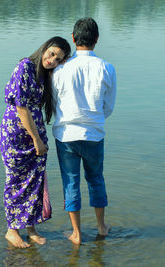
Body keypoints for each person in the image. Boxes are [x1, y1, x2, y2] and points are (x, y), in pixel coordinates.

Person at [0, 36, 71, 248]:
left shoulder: (44, 73)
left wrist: (66, 62)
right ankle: (12, 230)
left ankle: (31, 227)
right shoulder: (25, 67)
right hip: (17, 135)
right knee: (15, 180)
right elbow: (21, 108)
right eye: (51, 54)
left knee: (35, 180)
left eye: (58, 59)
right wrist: (37, 140)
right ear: (44, 49)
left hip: (36, 134)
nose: (52, 61)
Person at [51, 18, 117, 245]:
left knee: (71, 182)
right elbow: (108, 107)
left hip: (66, 134)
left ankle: (76, 234)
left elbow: (55, 101)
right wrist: (93, 120)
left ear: (72, 38)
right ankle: (101, 226)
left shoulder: (60, 68)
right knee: (96, 179)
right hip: (94, 134)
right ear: (97, 39)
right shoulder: (107, 67)